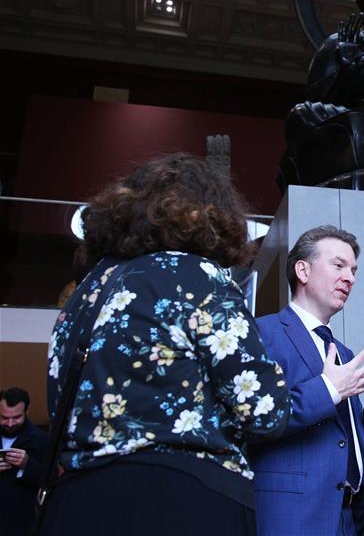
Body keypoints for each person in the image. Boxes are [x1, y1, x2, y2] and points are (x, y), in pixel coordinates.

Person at [41, 153, 290, 536]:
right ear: (210, 216)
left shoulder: (84, 294)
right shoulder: (196, 276)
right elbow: (264, 411)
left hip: (76, 500)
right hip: (181, 498)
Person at [249, 225, 364, 536]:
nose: (350, 278)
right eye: (338, 265)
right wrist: (329, 389)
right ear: (303, 271)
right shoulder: (261, 333)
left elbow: (340, 441)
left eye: (353, 270)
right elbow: (254, 420)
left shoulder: (342, 352)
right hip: (293, 516)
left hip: (350, 518)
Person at [1, 387, 49, 536]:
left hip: (21, 524)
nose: (10, 423)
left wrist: (27, 465)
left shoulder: (42, 440)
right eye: (4, 417)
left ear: (27, 411)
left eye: (16, 417)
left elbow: (51, 480)